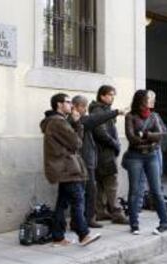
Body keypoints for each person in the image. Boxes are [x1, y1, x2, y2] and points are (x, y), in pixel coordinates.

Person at [40, 93, 100, 246]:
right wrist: (78, 123)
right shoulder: (58, 122)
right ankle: (83, 234)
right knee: (78, 201)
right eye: (67, 102)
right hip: (67, 169)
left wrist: (73, 123)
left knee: (62, 203)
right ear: (59, 105)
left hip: (64, 168)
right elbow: (77, 143)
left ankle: (58, 237)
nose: (71, 105)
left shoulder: (55, 121)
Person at [69, 95, 126, 228]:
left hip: (87, 160)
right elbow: (97, 119)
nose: (85, 109)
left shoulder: (79, 120)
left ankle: (82, 220)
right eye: (83, 106)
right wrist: (116, 112)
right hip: (83, 162)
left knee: (86, 192)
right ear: (76, 107)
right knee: (87, 192)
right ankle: (85, 220)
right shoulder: (78, 120)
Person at [123, 89, 167, 235]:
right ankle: (134, 223)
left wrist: (145, 134)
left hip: (152, 156)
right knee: (135, 191)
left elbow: (162, 134)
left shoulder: (155, 116)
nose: (152, 100)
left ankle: (164, 222)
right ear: (141, 100)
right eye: (148, 98)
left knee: (156, 190)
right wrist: (151, 139)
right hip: (135, 156)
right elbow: (132, 138)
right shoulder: (130, 116)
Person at [89, 85, 128, 224]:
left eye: (113, 95)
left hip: (103, 152)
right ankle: (117, 213)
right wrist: (115, 144)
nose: (112, 97)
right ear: (102, 96)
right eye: (110, 95)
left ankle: (100, 211)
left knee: (101, 184)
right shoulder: (98, 110)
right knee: (112, 183)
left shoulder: (103, 109)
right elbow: (101, 132)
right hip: (104, 152)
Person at [137, 90, 167, 211]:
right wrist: (152, 135)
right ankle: (137, 205)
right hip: (142, 151)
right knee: (141, 179)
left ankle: (154, 203)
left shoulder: (155, 115)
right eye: (151, 98)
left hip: (156, 149)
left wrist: (148, 135)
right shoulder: (134, 115)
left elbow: (163, 131)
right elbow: (137, 135)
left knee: (157, 177)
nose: (153, 101)